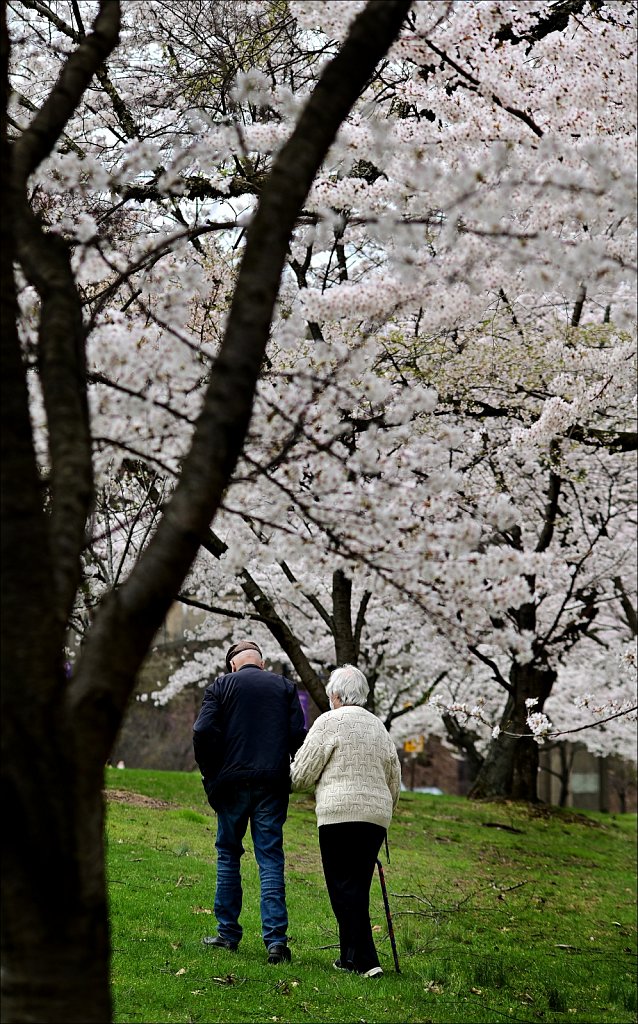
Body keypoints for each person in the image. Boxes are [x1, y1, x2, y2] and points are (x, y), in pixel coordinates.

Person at [193, 639, 306, 965]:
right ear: (261, 663)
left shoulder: (221, 686)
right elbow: (298, 735)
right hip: (271, 784)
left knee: (228, 854)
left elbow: (202, 730)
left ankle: (227, 934)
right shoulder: (284, 686)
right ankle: (276, 942)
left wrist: (210, 772)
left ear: (232, 665)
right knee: (270, 858)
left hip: (230, 783)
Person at [290, 664, 401, 978]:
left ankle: (367, 961)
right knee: (356, 887)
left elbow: (302, 774)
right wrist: (387, 808)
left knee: (341, 886)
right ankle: (348, 958)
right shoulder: (379, 727)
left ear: (336, 695)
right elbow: (395, 776)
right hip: (375, 816)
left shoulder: (329, 722)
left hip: (339, 814)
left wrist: (282, 778)